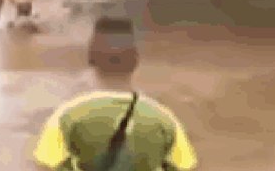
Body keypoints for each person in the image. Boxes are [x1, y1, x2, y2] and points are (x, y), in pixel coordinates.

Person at [31, 39, 199, 171]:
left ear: (93, 61)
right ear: (135, 63)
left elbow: (45, 165)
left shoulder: (67, 116)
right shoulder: (164, 118)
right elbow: (185, 166)